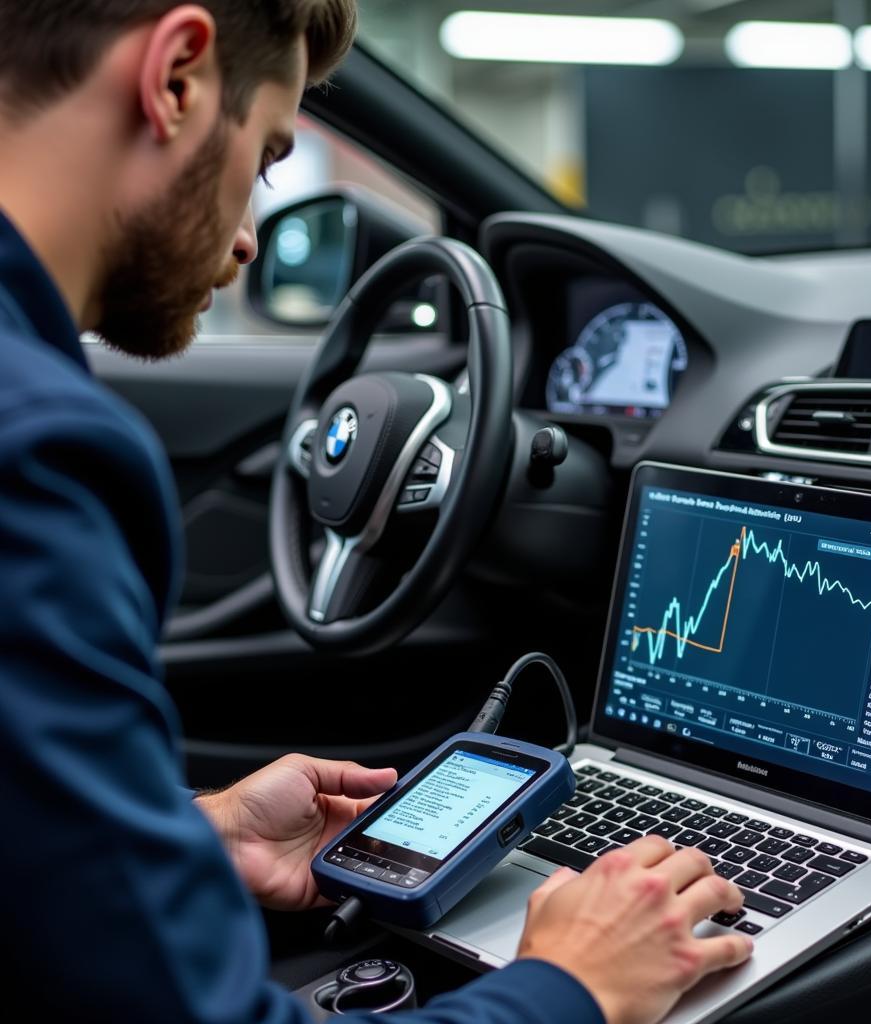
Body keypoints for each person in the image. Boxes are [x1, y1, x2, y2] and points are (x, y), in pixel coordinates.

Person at [0, 3, 752, 1022]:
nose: (250, 237)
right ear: (176, 78)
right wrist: (570, 987)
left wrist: (195, 834)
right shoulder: (39, 452)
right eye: (266, 154)